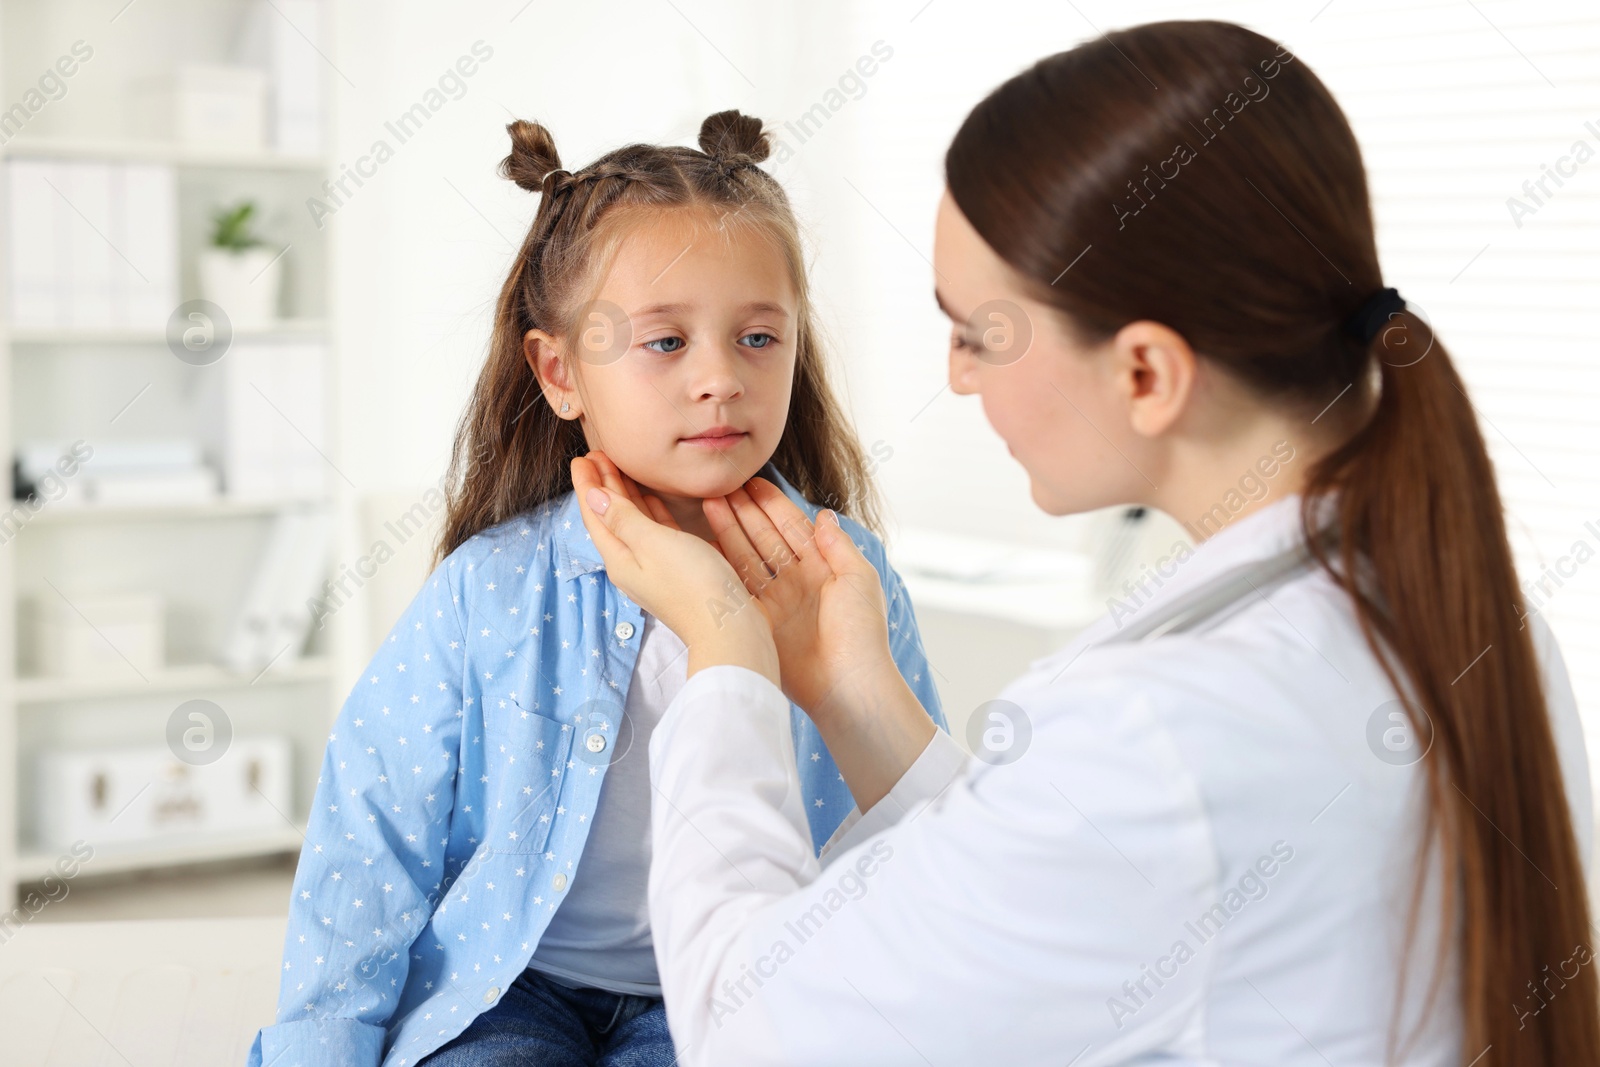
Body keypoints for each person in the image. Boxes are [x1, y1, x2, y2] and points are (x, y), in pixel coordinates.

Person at [569, 20, 1600, 1067]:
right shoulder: (1455, 604)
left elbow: (749, 1028)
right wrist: (847, 690)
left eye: (976, 332)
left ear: (1145, 373)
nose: (961, 376)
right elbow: (1059, 887)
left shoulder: (1168, 729)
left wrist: (722, 653)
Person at [246, 110, 944, 1067]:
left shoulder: (845, 578)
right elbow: (370, 842)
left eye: (756, 337)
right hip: (507, 982)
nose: (720, 380)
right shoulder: (486, 587)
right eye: (664, 342)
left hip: (731, 980)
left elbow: (908, 836)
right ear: (560, 371)